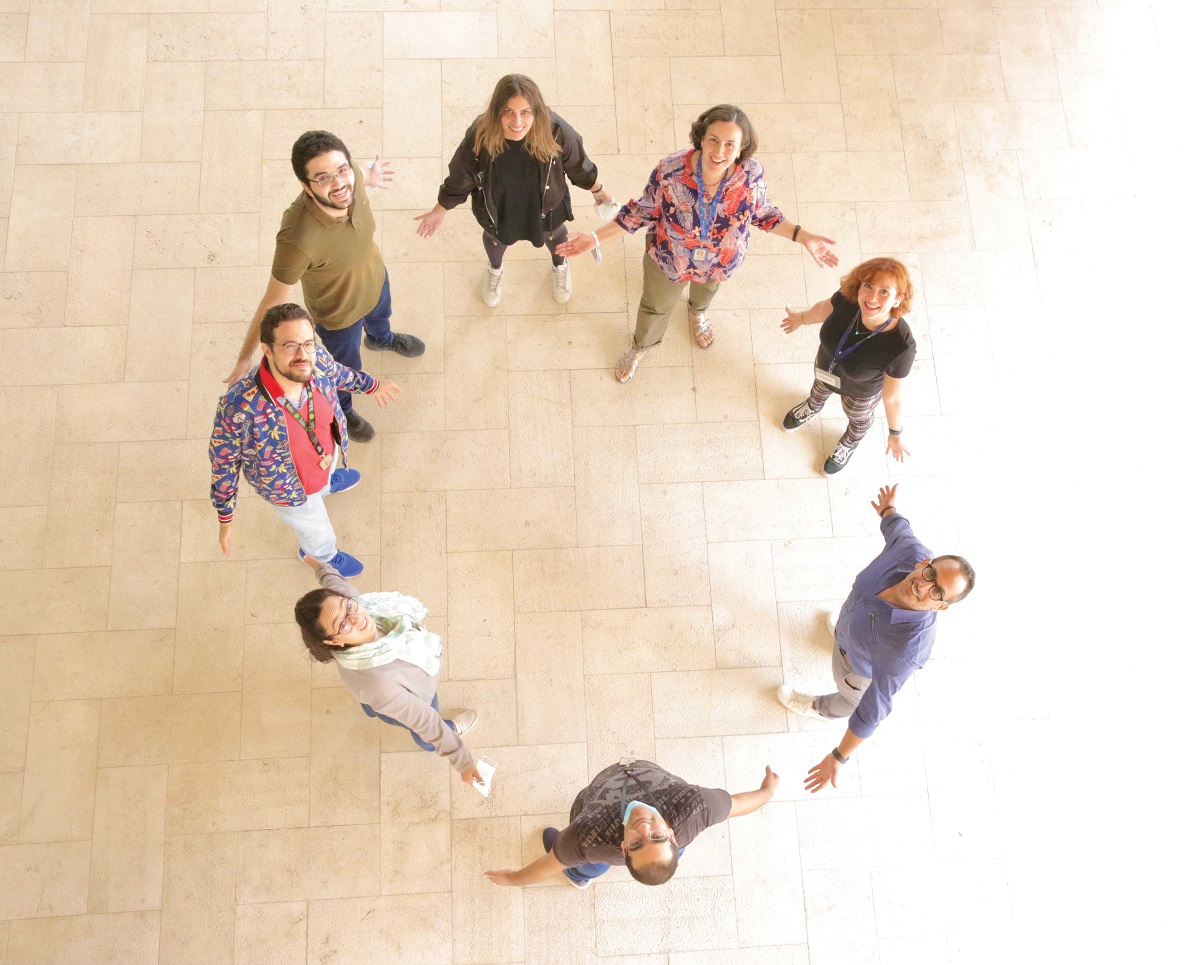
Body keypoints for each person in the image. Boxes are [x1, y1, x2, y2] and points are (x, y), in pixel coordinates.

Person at [556, 103, 839, 382]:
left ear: (742, 148)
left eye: (730, 144)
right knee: (655, 307)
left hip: (720, 261)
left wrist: (803, 237)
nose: (719, 152)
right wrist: (595, 238)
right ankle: (640, 347)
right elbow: (641, 211)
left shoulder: (752, 176)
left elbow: (762, 213)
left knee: (706, 293)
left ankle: (697, 312)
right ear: (701, 137)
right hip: (669, 259)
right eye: (713, 140)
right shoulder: (671, 171)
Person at [223, 130, 425, 443]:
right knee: (346, 369)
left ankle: (380, 339)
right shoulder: (297, 239)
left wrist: (370, 175)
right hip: (338, 315)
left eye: (342, 170)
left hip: (374, 280)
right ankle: (343, 410)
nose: (340, 184)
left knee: (381, 318)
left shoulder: (351, 176)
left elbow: (358, 175)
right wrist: (244, 357)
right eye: (323, 178)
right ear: (306, 186)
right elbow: (271, 303)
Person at [776, 484, 976, 794]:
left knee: (849, 700)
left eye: (937, 593)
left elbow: (874, 709)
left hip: (856, 668)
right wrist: (888, 510)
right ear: (925, 563)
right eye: (931, 575)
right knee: (845, 625)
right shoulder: (910, 553)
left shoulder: (907, 650)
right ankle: (844, 631)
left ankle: (818, 708)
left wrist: (839, 756)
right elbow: (899, 529)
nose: (923, 588)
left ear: (941, 606)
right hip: (851, 621)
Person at [210, 303, 401, 577]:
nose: (303, 355)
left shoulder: (316, 359)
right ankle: (321, 555)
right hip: (290, 490)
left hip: (324, 454)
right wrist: (225, 516)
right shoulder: (239, 407)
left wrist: (372, 386)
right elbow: (223, 462)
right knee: (315, 527)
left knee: (328, 468)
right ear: (267, 349)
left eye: (308, 343)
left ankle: (325, 484)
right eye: (290, 346)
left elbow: (339, 374)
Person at [414, 74, 613, 308]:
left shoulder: (555, 130)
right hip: (499, 207)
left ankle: (560, 265)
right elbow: (462, 173)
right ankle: (495, 269)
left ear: (536, 111)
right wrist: (441, 208)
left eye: (525, 112)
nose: (517, 122)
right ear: (496, 110)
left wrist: (598, 191)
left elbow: (578, 164)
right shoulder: (480, 133)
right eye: (508, 111)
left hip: (545, 205)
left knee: (555, 235)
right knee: (495, 240)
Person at [294, 555, 485, 788]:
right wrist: (464, 762)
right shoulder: (378, 685)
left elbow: (337, 586)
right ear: (333, 642)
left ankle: (372, 710)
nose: (356, 618)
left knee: (374, 706)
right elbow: (426, 720)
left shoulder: (360, 605)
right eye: (343, 624)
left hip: (382, 696)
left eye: (349, 606)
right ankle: (449, 729)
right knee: (422, 730)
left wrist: (320, 566)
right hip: (413, 695)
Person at [482, 759, 779, 889]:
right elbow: (739, 805)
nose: (644, 828)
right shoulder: (696, 807)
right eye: (658, 837)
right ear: (672, 835)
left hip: (597, 846)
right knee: (650, 856)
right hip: (666, 841)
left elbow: (551, 863)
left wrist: (512, 879)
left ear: (624, 848)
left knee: (586, 861)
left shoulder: (588, 837)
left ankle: (580, 875)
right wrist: (767, 792)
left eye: (637, 843)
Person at [779, 257, 918, 475]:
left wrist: (895, 433)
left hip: (860, 391)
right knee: (817, 392)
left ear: (898, 299)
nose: (872, 298)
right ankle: (813, 406)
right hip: (826, 369)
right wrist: (801, 319)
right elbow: (823, 308)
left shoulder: (901, 345)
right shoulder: (847, 300)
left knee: (858, 418)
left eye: (884, 292)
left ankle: (850, 441)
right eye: (868, 286)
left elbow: (892, 397)